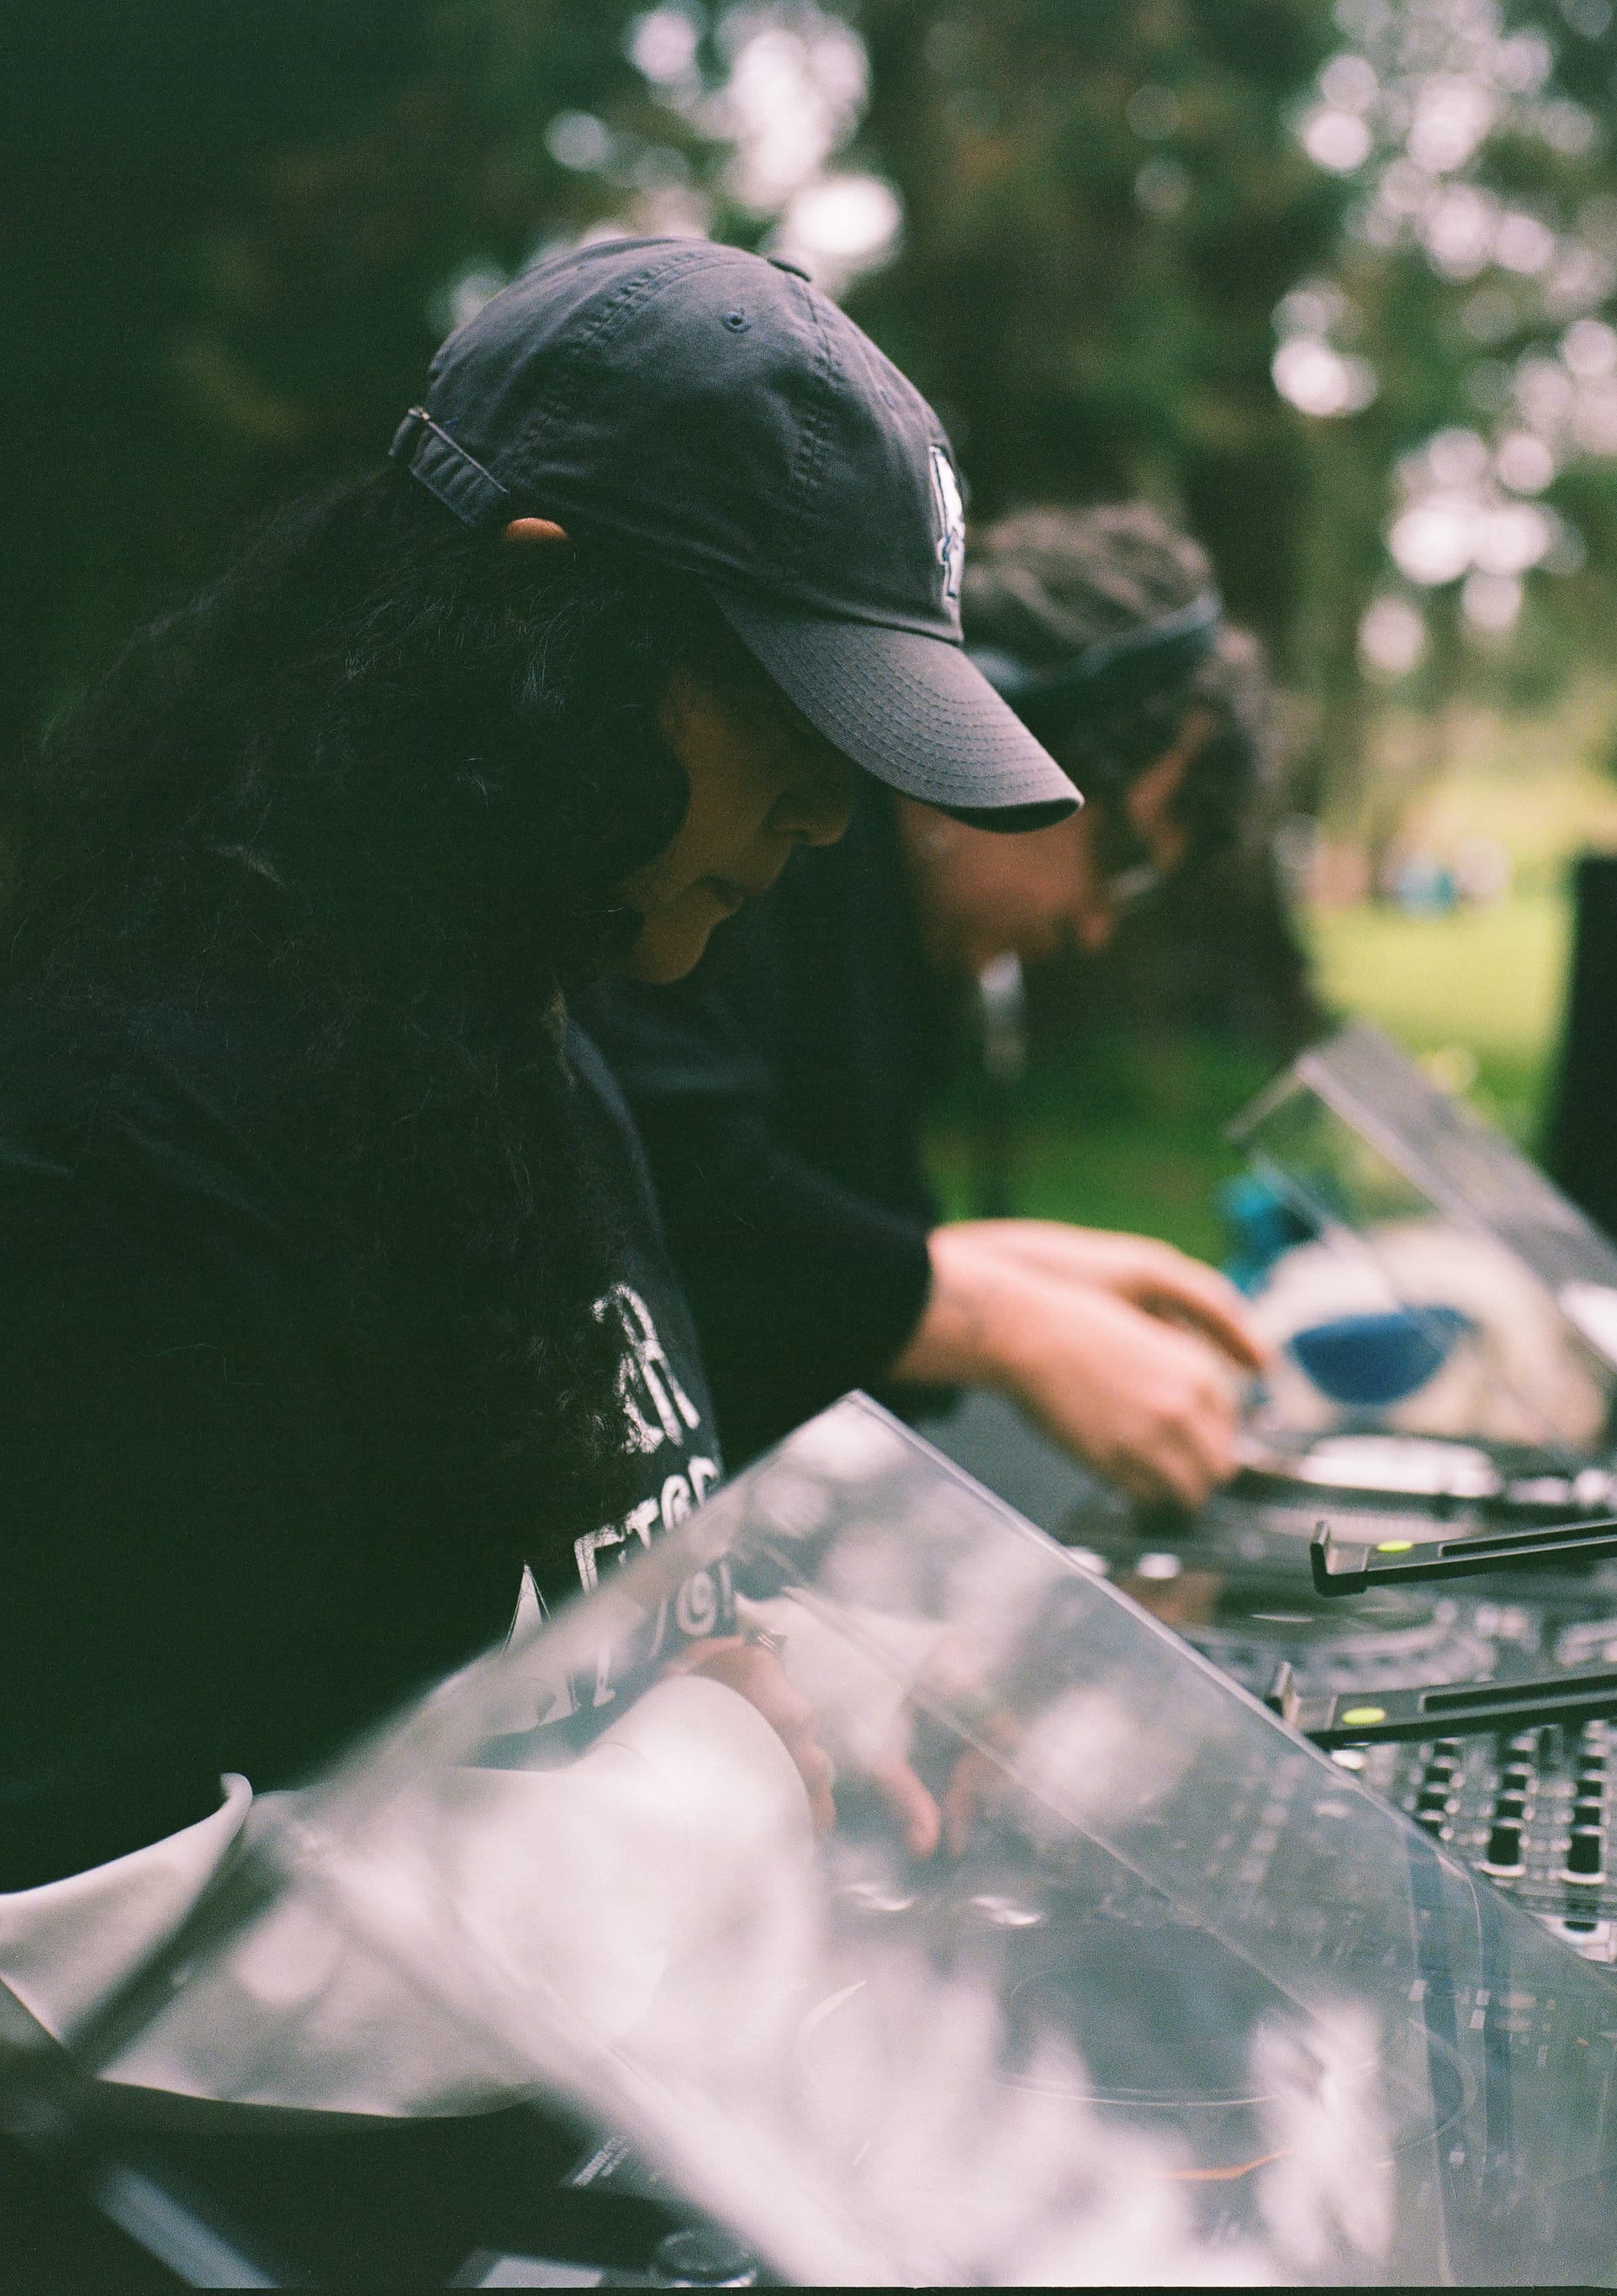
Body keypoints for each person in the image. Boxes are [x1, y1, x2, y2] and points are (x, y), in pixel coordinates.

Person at [0, 234, 1082, 2122]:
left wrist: (808, 1657)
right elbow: (72, 1966)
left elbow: (503, 1617)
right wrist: (718, 1778)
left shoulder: (503, 1021)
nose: (834, 813)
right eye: (788, 712)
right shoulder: (124, 1126)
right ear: (537, 617)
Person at [580, 504, 1276, 1507]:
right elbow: (664, 1193)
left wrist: (994, 1268)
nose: (1092, 930)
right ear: (1005, 711)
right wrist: (1007, 1323)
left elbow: (797, 1228)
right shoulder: (764, 854)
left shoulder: (902, 925)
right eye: (1118, 860)